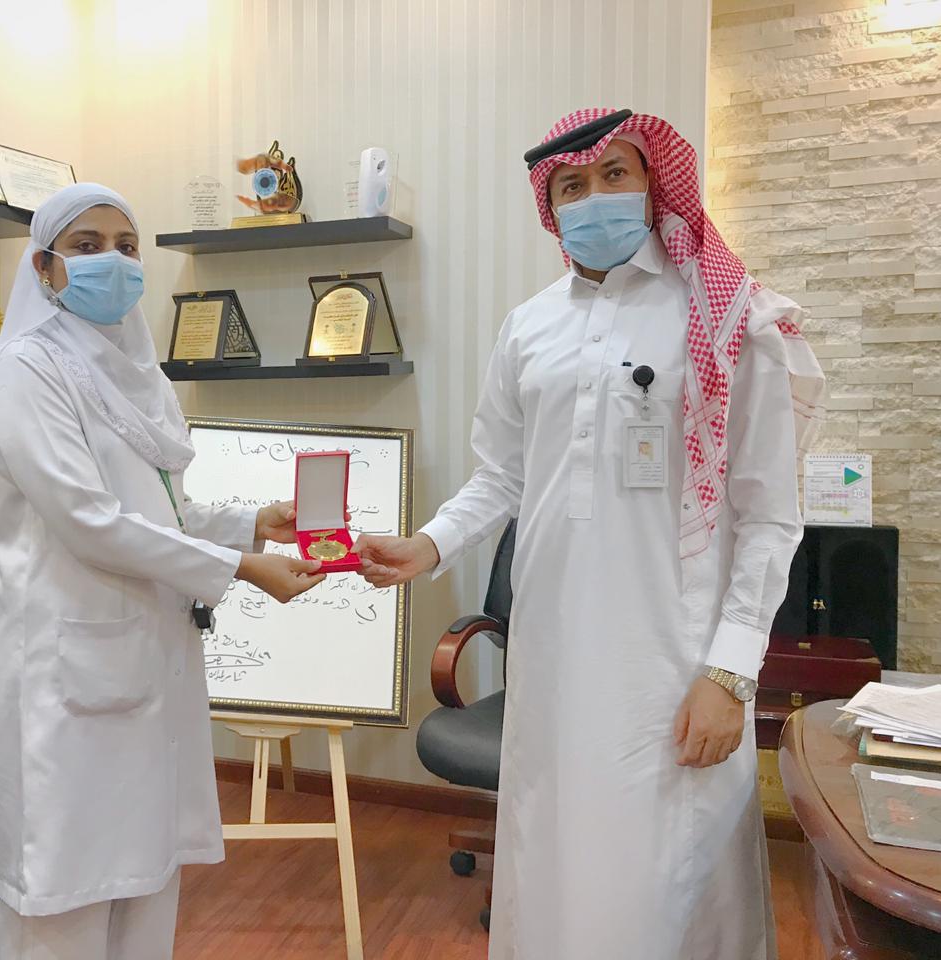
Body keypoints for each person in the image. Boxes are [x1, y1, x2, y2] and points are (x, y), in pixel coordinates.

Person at [355, 109, 826, 960]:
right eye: (572, 184)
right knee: (553, 856)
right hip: (553, 654)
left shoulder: (727, 316)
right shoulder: (529, 326)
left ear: (652, 184)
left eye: (615, 174)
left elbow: (768, 519)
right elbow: (500, 476)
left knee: (664, 879)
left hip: (674, 662)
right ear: (551, 205)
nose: (594, 196)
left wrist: (730, 672)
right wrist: (429, 545)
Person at [0, 183, 326, 959]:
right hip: (66, 676)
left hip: (148, 661)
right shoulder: (27, 369)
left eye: (126, 247)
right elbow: (89, 521)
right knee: (63, 900)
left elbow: (162, 507)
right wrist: (241, 566)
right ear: (45, 267)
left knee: (145, 879)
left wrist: (250, 523)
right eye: (87, 245)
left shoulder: (138, 373)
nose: (114, 261)